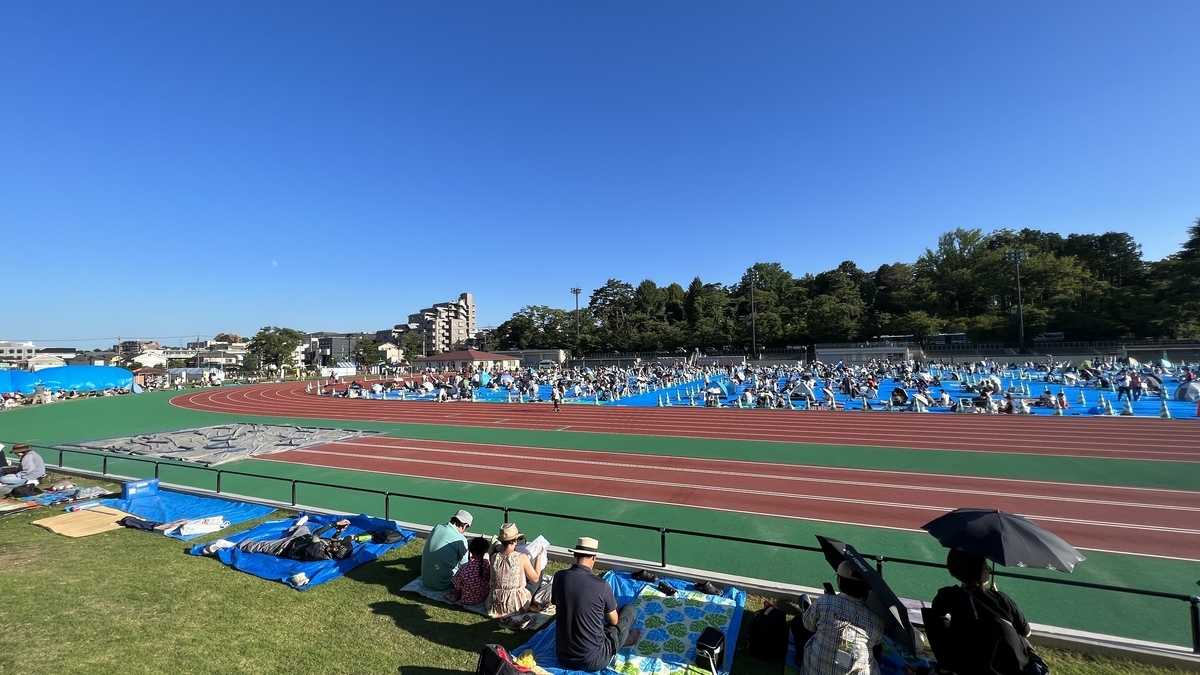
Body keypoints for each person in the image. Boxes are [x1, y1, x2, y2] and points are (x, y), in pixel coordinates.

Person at [930, 549, 1031, 675]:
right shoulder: (1002, 599)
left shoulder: (948, 596)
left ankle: (944, 668)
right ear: (979, 572)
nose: (989, 570)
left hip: (966, 666)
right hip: (1013, 667)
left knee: (934, 619)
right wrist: (995, 596)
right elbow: (1026, 632)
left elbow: (936, 615)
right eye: (986, 567)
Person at [552, 536, 640, 672]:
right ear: (594, 558)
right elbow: (614, 621)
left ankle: (616, 641)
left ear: (575, 555)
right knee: (629, 611)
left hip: (562, 656)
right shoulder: (601, 585)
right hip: (593, 660)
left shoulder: (559, 576)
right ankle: (622, 641)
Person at [798, 561, 884, 675]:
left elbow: (807, 624)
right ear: (866, 588)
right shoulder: (876, 620)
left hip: (813, 671)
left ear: (839, 581)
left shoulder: (824, 601)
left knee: (797, 623)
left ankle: (799, 658)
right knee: (875, 647)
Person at [202, 515, 355, 561]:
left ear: (336, 551)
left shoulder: (319, 553)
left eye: (340, 544)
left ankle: (224, 545)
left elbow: (317, 535)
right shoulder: (332, 550)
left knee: (258, 546)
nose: (339, 542)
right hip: (302, 539)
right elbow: (334, 541)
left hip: (285, 547)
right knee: (303, 528)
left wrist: (335, 524)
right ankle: (297, 525)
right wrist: (339, 531)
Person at [487, 522, 545, 617]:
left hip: (494, 603)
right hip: (516, 605)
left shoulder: (494, 557)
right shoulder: (521, 557)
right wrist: (539, 557)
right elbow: (535, 579)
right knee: (538, 574)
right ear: (515, 540)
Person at [422, 509, 473, 591]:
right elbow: (464, 566)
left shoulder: (437, 527)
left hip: (426, 581)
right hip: (444, 584)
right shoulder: (460, 539)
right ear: (465, 525)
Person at [447, 536, 492, 605]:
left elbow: (457, 585)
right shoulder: (486, 564)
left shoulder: (465, 567)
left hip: (468, 599)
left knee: (458, 585)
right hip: (484, 596)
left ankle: (455, 596)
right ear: (484, 551)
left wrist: (456, 593)